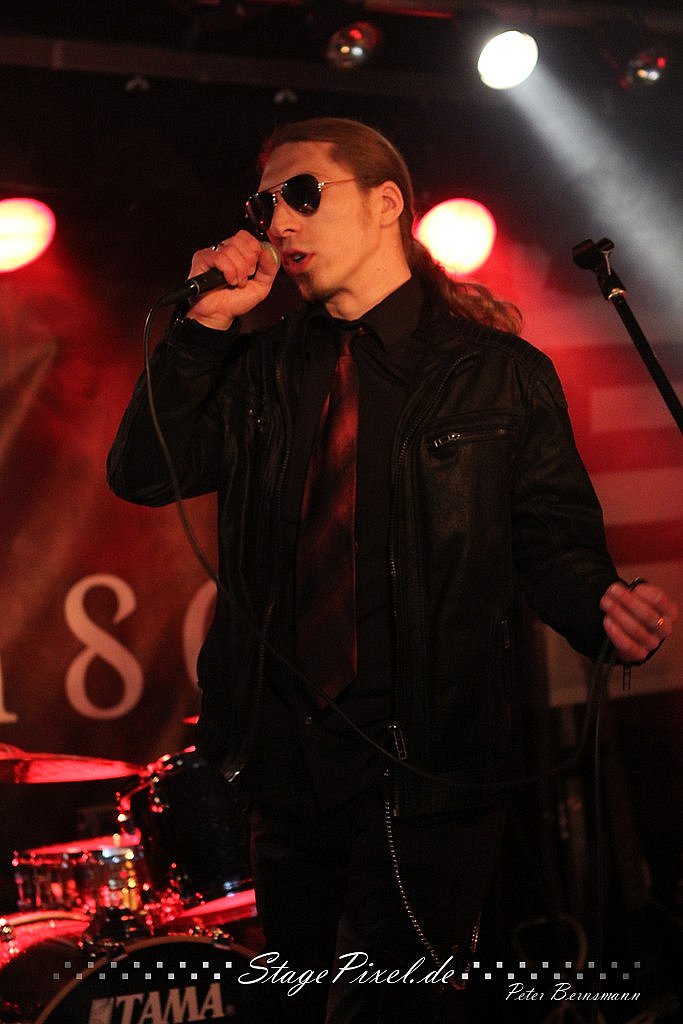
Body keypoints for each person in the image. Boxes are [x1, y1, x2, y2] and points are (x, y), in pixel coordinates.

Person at [107, 117, 677, 1023]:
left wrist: (599, 605)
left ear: (385, 203)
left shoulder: (496, 375)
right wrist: (202, 327)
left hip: (426, 773)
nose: (278, 223)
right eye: (264, 205)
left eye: (302, 194)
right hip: (286, 773)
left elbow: (551, 541)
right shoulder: (256, 369)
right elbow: (143, 473)